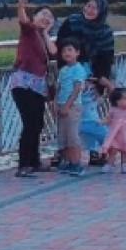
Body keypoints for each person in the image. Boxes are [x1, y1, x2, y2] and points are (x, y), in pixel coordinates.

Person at [10, 0, 56, 178]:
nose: (46, 18)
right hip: (24, 84)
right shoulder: (29, 30)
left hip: (38, 86)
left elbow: (54, 52)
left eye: (50, 17)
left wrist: (45, 32)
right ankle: (23, 164)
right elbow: (23, 21)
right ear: (34, 16)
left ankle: (34, 161)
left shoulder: (41, 36)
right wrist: (21, 5)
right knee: (29, 123)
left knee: (37, 123)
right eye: (43, 14)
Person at [57, 0, 116, 85]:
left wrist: (101, 80)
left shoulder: (105, 32)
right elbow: (60, 44)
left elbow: (106, 60)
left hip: (94, 76)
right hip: (69, 71)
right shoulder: (72, 21)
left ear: (101, 12)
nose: (89, 10)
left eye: (94, 8)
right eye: (88, 6)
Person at [54, 40, 86, 176]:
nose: (66, 53)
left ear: (77, 53)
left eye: (69, 50)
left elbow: (77, 89)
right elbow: (59, 88)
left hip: (73, 106)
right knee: (63, 135)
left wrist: (67, 106)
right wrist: (55, 103)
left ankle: (76, 163)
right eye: (64, 51)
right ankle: (67, 161)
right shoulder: (63, 70)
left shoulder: (79, 69)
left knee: (72, 135)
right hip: (61, 105)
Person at [100, 88, 126, 174]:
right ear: (117, 101)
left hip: (125, 134)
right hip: (115, 134)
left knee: (124, 150)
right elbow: (108, 119)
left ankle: (124, 166)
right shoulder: (113, 109)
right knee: (113, 150)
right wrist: (103, 122)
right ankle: (110, 164)